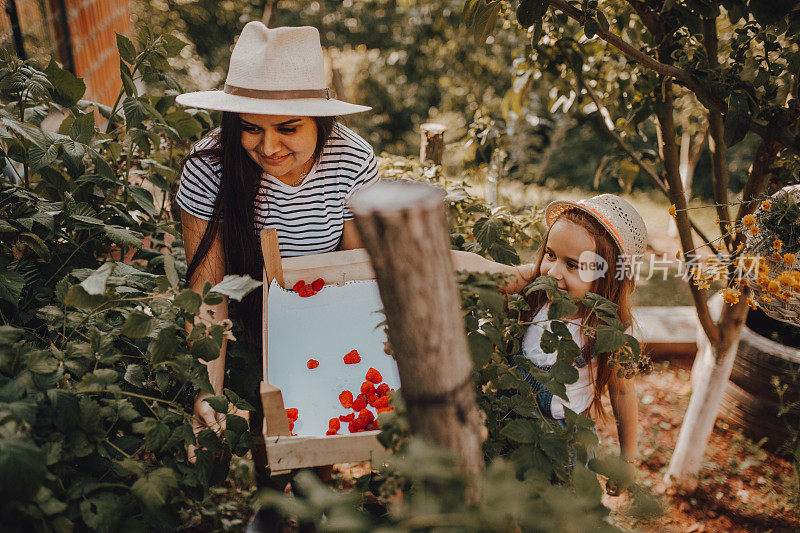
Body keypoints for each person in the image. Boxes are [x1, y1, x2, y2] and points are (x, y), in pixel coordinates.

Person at [172, 22, 378, 466]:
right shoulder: (209, 167)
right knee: (264, 443)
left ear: (320, 120)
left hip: (321, 318)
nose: (268, 147)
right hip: (244, 328)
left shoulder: (353, 159)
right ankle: (269, 504)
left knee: (316, 437)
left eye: (288, 128)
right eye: (250, 129)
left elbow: (355, 273)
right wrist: (207, 391)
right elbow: (209, 296)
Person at [518, 194, 645, 493]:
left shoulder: (610, 332)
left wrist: (627, 462)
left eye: (573, 265)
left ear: (608, 277)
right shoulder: (535, 299)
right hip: (515, 427)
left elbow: (624, 393)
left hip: (563, 445)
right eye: (550, 255)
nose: (553, 272)